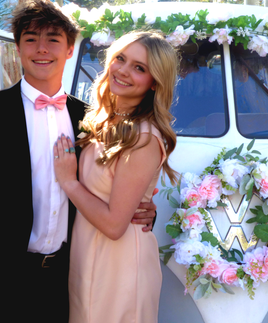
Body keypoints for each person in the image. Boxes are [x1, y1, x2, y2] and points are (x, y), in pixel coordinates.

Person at [0, 0, 157, 323]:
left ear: (69, 49)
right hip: (1, 282)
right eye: (31, 39)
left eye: (53, 39)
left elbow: (113, 186)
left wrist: (146, 210)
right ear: (19, 48)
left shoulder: (90, 120)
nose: (42, 49)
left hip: (69, 279)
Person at [53, 31, 179, 323]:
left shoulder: (144, 137)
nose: (123, 70)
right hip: (89, 255)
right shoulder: (102, 120)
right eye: (120, 59)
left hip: (119, 264)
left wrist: (69, 182)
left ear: (154, 83)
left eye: (140, 68)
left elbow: (114, 225)